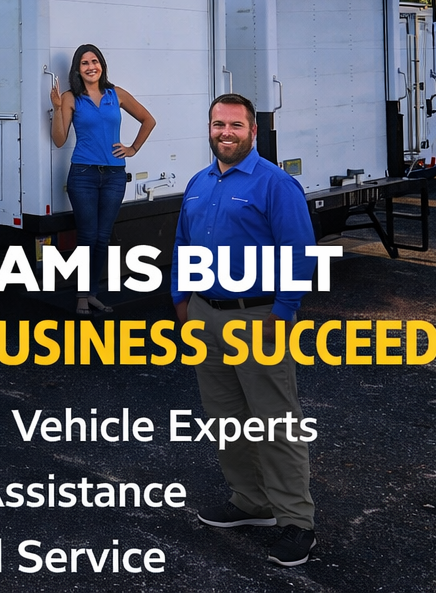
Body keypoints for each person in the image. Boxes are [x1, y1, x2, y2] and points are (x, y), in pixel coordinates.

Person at [171, 92, 319, 567]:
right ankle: (250, 503)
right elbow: (182, 244)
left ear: (253, 131)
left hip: (257, 317)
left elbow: (299, 251)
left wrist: (283, 313)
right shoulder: (198, 183)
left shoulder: (275, 184)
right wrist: (181, 301)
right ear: (209, 128)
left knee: (275, 422)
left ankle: (295, 520)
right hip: (206, 317)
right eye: (218, 125)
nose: (225, 133)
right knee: (225, 419)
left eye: (235, 126)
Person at [50, 44, 155, 315]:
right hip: (83, 175)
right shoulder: (71, 98)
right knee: (87, 236)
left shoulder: (115, 94)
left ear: (102, 65)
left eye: (94, 61)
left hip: (113, 176)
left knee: (102, 238)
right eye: (84, 63)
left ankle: (93, 293)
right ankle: (82, 296)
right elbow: (59, 140)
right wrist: (57, 109)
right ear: (78, 69)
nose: (90, 66)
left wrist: (132, 148)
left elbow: (148, 120)